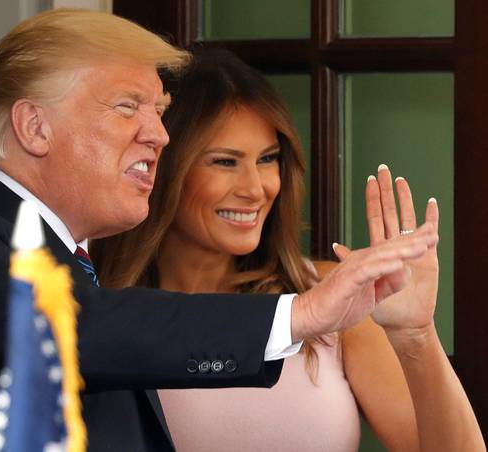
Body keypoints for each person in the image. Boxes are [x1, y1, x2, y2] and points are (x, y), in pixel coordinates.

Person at [0, 10, 439, 452]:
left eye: (159, 111)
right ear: (36, 127)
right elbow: (67, 328)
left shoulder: (81, 269)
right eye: (128, 107)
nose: (158, 135)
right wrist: (302, 315)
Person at [91, 48, 485, 451]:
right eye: (225, 162)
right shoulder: (103, 311)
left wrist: (417, 336)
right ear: (163, 167)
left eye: (268, 159)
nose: (255, 188)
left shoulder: (336, 298)